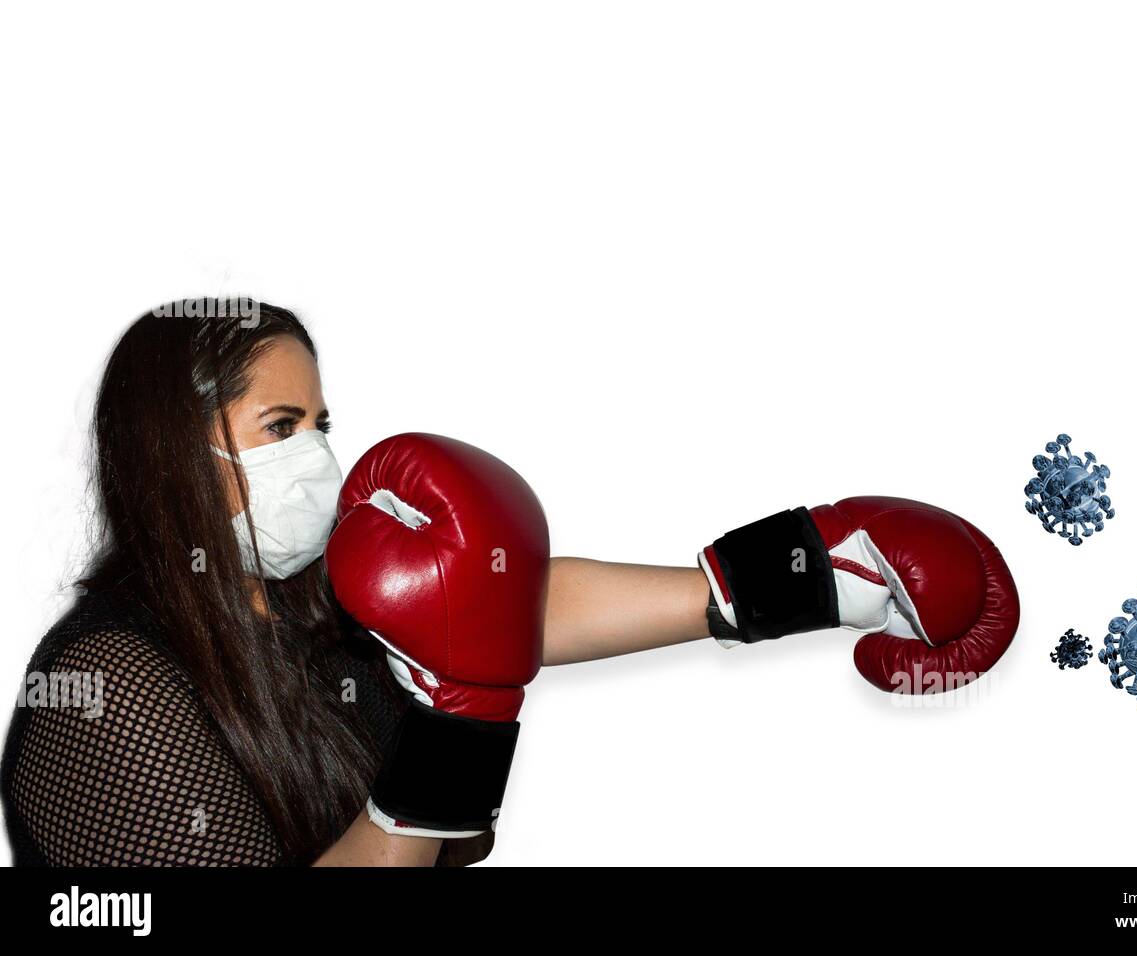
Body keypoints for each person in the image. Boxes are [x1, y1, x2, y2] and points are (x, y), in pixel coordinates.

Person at [0, 299, 710, 867]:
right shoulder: (111, 684)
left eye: (318, 425)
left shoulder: (314, 614)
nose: (314, 454)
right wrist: (452, 734)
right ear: (175, 453)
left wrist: (761, 585)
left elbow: (507, 603)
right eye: (281, 428)